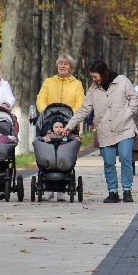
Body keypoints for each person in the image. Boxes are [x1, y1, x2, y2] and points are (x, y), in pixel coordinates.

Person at [63, 60, 138, 203]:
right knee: (109, 162)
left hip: (125, 128)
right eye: (92, 77)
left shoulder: (122, 81)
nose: (94, 79)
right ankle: (113, 192)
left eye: (95, 76)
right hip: (105, 130)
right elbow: (85, 109)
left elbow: (134, 98)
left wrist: (127, 114)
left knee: (125, 158)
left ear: (103, 73)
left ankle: (127, 190)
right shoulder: (93, 90)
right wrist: (69, 125)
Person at [36, 54, 84, 200]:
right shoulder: (48, 82)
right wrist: (46, 115)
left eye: (66, 64)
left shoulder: (77, 84)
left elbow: (80, 102)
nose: (63, 66)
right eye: (60, 64)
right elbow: (41, 100)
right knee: (48, 150)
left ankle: (63, 189)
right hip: (50, 123)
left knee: (65, 152)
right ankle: (48, 188)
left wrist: (71, 119)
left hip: (69, 124)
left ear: (71, 67)